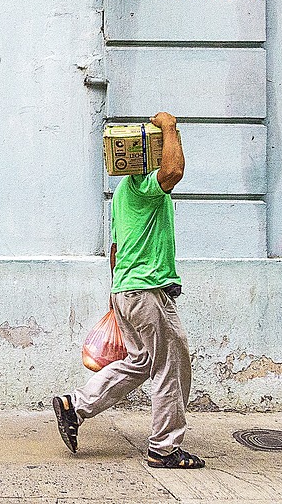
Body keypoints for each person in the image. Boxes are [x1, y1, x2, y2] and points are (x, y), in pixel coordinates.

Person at [51, 111, 204, 469]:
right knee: (171, 366)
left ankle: (76, 406)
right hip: (148, 291)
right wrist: (169, 126)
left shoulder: (122, 193)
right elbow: (174, 171)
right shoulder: (141, 184)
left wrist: (115, 294)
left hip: (126, 290)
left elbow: (115, 249)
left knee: (140, 363)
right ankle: (164, 448)